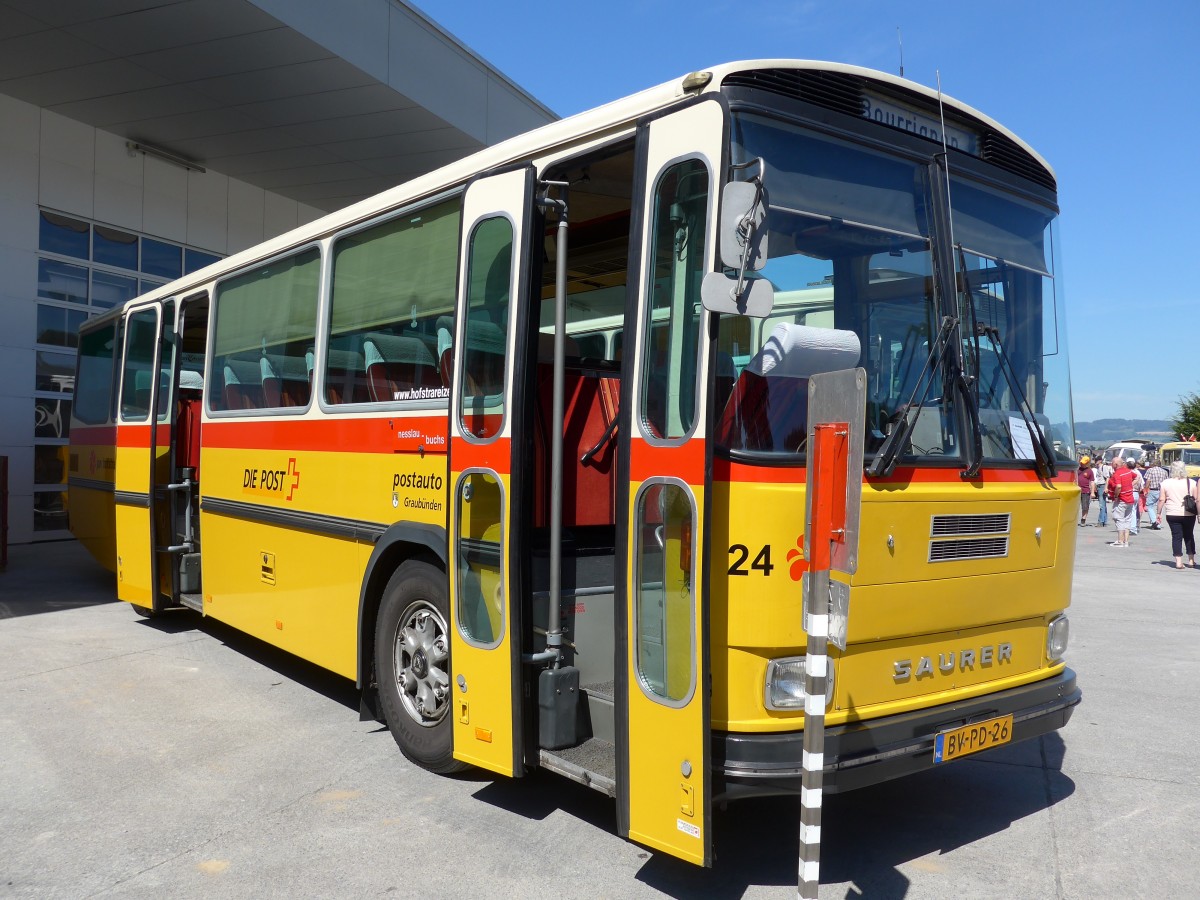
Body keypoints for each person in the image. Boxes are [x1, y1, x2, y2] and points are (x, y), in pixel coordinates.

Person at [1155, 461, 1197, 569]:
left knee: (1176, 537)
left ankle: (1178, 562)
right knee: (1189, 536)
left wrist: (1158, 513)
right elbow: (1196, 499)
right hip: (1188, 513)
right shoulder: (1191, 482)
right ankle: (1191, 560)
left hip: (1172, 513)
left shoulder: (1165, 483)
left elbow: (1161, 499)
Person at [1107, 457, 1138, 547]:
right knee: (1127, 519)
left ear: (1116, 464)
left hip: (1122, 499)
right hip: (1130, 499)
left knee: (1119, 519)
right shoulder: (1128, 471)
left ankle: (1120, 541)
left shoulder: (1117, 474)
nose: (1111, 465)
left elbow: (1119, 486)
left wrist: (1116, 495)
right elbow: (1136, 478)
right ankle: (1126, 541)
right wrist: (1129, 486)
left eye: (1112, 463)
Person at [1143, 457, 1168, 529]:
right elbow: (1166, 482)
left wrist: (1146, 489)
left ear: (1153, 464)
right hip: (1162, 490)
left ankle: (1154, 521)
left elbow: (1148, 481)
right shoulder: (1164, 471)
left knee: (1149, 505)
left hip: (1153, 490)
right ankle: (1158, 523)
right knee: (1159, 507)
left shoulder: (1150, 470)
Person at [1076, 456, 1094, 526]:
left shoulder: (1090, 471)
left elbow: (1092, 482)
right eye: (1081, 463)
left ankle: (1083, 519)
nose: (1082, 464)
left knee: (1085, 506)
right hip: (1077, 491)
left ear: (1087, 463)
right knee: (1075, 507)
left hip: (1085, 491)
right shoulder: (1077, 469)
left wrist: (1092, 492)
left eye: (1083, 463)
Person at [1096, 456, 1112, 527]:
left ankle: (1101, 521)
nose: (1095, 462)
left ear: (1100, 461)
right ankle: (1104, 520)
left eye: (1096, 460)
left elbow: (1107, 477)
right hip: (1100, 486)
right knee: (1103, 504)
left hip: (1102, 485)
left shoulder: (1104, 467)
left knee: (1101, 504)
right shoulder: (1098, 468)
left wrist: (1106, 487)